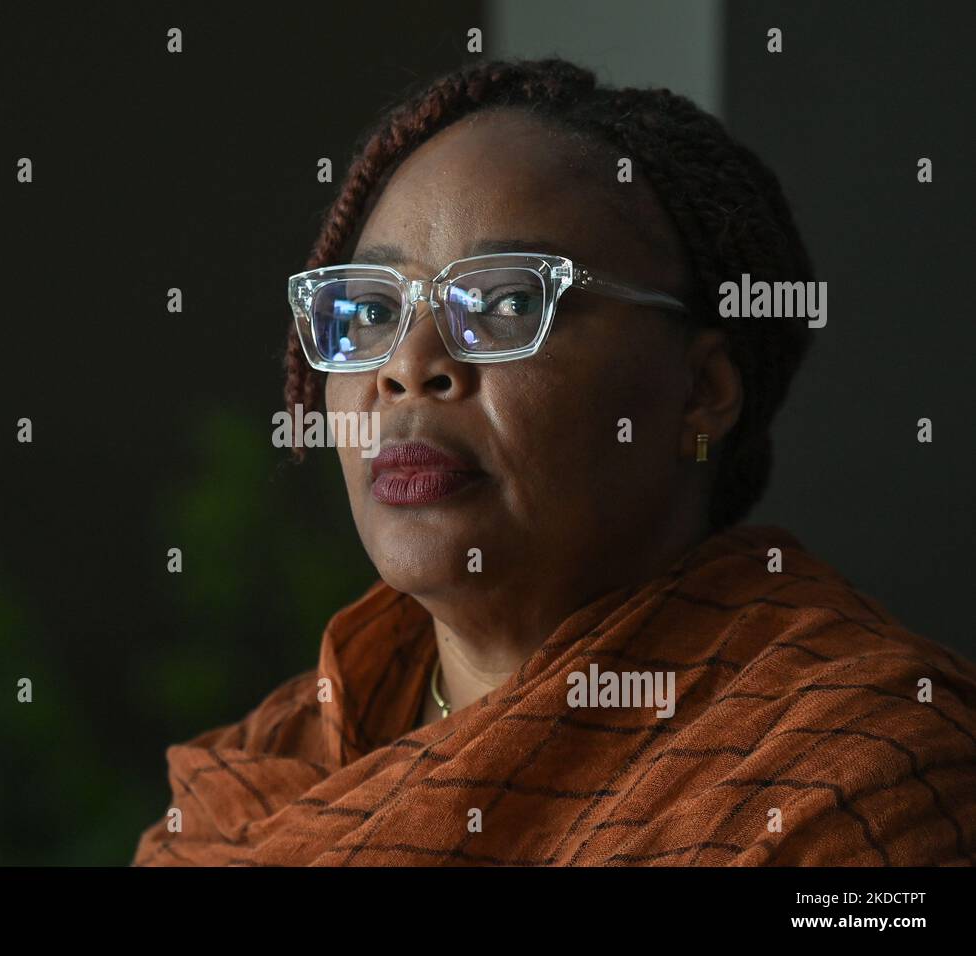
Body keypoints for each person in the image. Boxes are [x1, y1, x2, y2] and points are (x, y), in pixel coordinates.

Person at [132, 58, 976, 866]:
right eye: (369, 310)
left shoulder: (863, 776)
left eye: (505, 302)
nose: (406, 364)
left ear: (701, 392)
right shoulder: (262, 777)